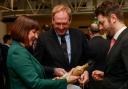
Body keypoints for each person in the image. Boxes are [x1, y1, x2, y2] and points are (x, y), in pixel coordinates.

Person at [7, 15, 82, 89]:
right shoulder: (17, 52)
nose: (36, 36)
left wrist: (55, 77)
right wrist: (65, 81)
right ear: (23, 31)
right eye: (34, 32)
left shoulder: (20, 49)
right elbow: (35, 84)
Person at [34, 4, 89, 80]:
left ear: (70, 21)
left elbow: (88, 59)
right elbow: (36, 65)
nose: (61, 27)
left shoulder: (79, 35)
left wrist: (86, 71)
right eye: (58, 23)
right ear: (52, 21)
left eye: (64, 23)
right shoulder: (43, 38)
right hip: (54, 84)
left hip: (77, 83)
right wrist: (53, 70)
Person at [88, 1, 128, 89]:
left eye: (102, 23)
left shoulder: (126, 40)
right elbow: (121, 74)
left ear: (113, 18)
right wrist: (106, 75)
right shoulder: (117, 39)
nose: (100, 27)